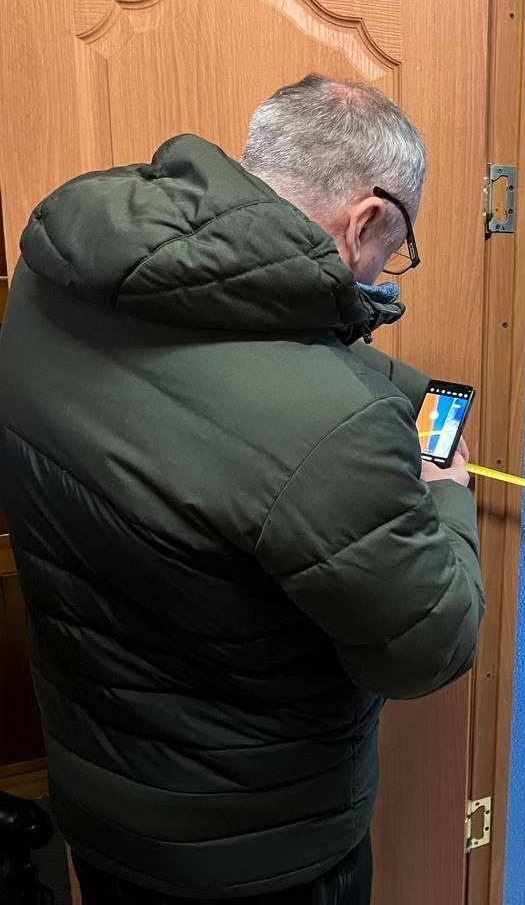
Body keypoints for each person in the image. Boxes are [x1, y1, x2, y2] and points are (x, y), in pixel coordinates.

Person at [0, 75, 484, 904]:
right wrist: (445, 489)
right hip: (258, 855)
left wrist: (396, 392)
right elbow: (429, 646)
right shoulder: (329, 431)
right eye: (396, 247)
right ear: (367, 220)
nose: (387, 268)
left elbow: (244, 352)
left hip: (101, 805)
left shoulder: (61, 271)